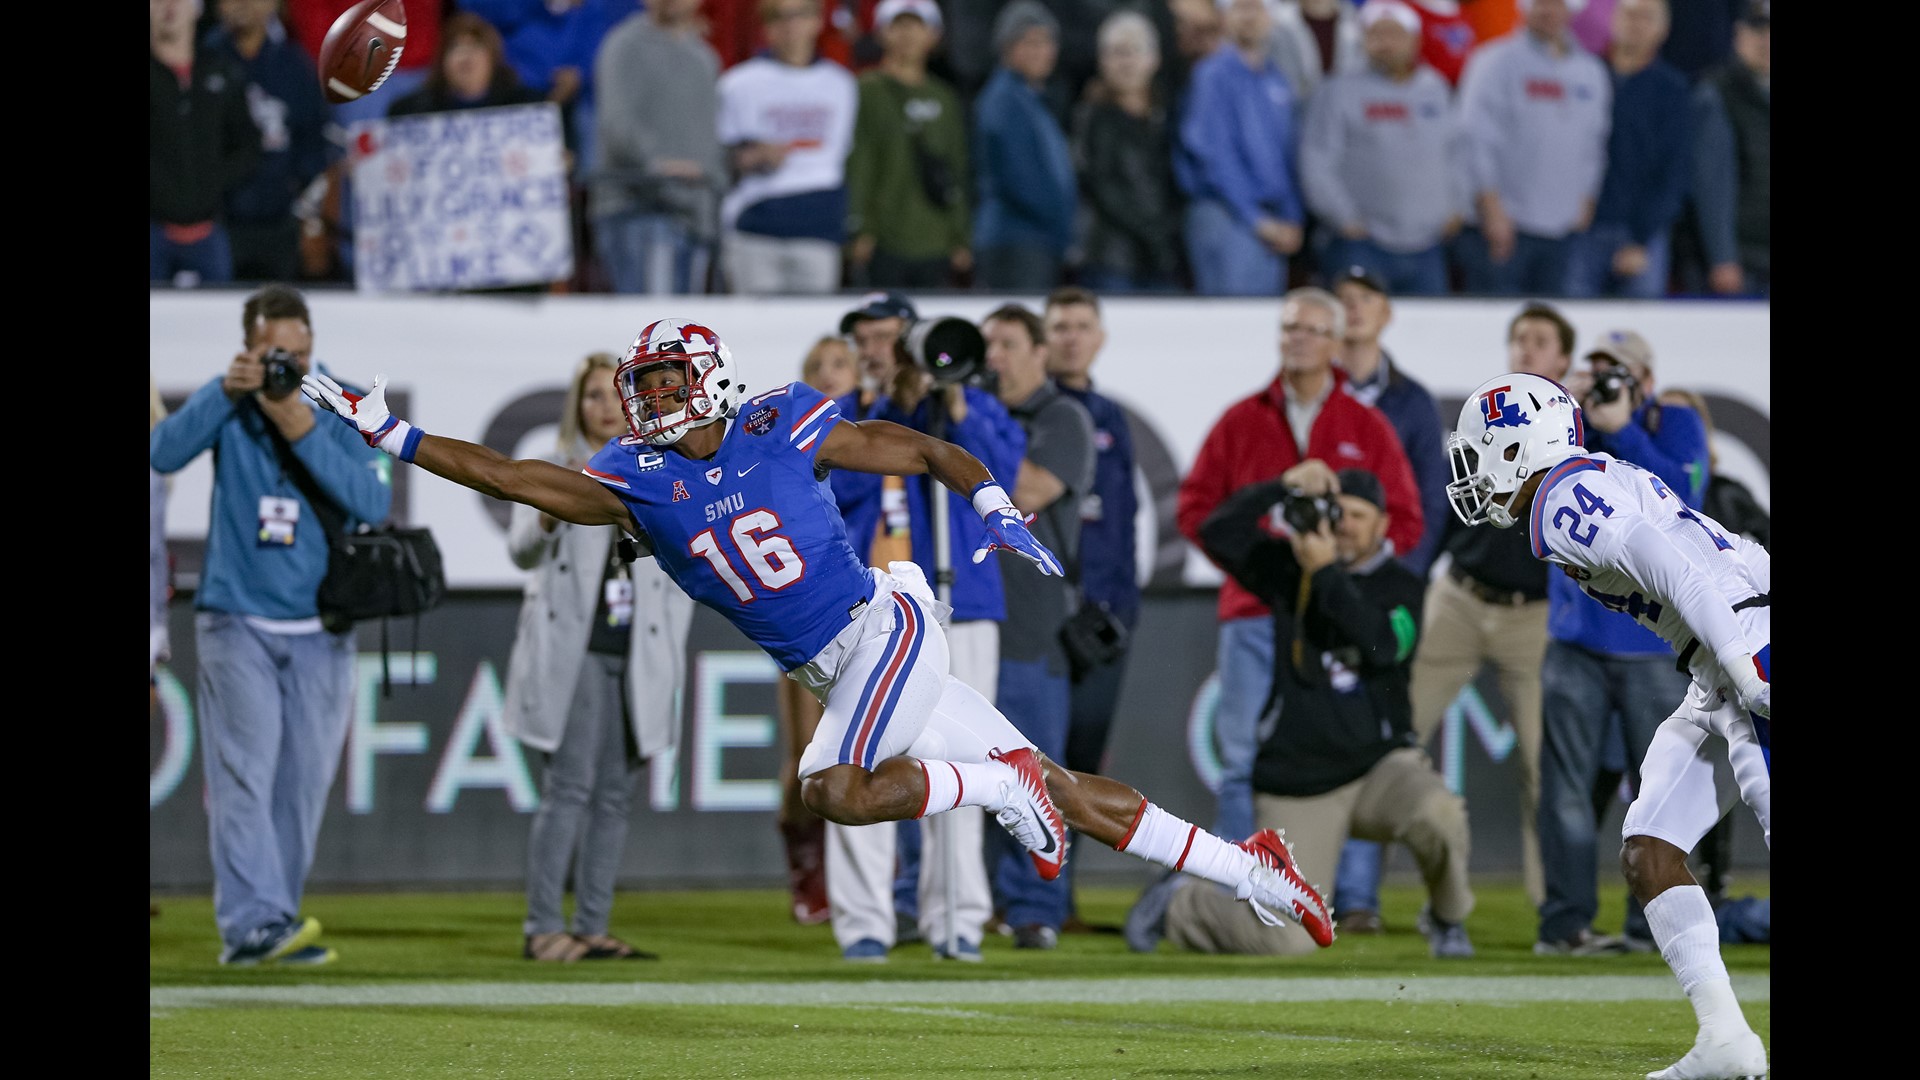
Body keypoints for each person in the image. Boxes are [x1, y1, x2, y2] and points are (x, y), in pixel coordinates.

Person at [302, 317, 1335, 960]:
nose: (649, 398)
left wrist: (991, 506)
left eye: (666, 382)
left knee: (832, 789)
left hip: (884, 626)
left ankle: (995, 790)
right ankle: (1251, 871)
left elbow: (925, 446)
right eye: (642, 384)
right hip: (844, 660)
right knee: (1064, 786)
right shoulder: (634, 481)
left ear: (708, 377)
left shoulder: (780, 421)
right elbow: (512, 476)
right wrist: (392, 434)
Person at [1444, 370, 1769, 1080]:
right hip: (1718, 658)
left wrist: (1751, 664)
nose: (1471, 473)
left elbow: (1684, 571)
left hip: (1742, 643)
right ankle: (1726, 1039)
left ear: (1515, 448)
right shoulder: (1577, 486)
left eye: (1479, 451)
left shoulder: (1563, 499)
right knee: (1649, 848)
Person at [1134, 465, 1473, 958]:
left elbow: (1380, 646)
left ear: (1383, 524)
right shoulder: (1289, 569)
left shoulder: (1402, 585)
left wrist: (1326, 573)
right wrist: (1282, 485)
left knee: (1439, 811)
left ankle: (1447, 919)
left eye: (1359, 515)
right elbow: (1216, 531)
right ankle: (1183, 904)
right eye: (1338, 513)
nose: (1346, 525)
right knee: (1286, 940)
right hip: (1299, 776)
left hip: (1379, 768)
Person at [150, 284, 393, 966]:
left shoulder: (339, 401)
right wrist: (223, 394)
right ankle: (252, 924)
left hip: (322, 625)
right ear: (252, 347)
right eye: (274, 354)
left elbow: (372, 498)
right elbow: (162, 455)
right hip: (236, 620)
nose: (289, 365)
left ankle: (273, 921)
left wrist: (301, 425)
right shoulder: (227, 398)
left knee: (302, 784)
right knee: (243, 778)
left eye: (300, 353)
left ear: (313, 346)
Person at [1177, 287, 1423, 846]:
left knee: (1354, 758)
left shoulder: (1366, 425)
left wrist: (1350, 570)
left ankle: (1354, 904)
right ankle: (1234, 889)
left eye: (1312, 329)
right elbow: (1196, 511)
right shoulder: (1241, 419)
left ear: (1337, 342)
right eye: (1290, 327)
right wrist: (1257, 561)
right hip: (1257, 608)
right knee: (1238, 758)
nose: (1298, 339)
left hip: (1337, 618)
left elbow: (1405, 518)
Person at [826, 295, 1026, 962]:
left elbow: (1003, 468)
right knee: (852, 757)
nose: (882, 348)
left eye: (892, 337)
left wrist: (951, 401)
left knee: (970, 758)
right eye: (870, 339)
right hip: (865, 611)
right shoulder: (838, 423)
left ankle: (959, 918)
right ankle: (864, 924)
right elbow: (825, 497)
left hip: (961, 603)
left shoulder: (957, 405)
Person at [503, 351, 695, 962]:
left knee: (614, 796)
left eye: (614, 395)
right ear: (576, 407)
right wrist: (552, 513)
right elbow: (521, 552)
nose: (605, 407)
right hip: (578, 651)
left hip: (641, 652)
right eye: (591, 397)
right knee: (570, 789)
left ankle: (590, 925)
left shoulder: (662, 470)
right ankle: (541, 929)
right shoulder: (555, 470)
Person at [1535, 329, 1709, 956]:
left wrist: (1626, 428)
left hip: (1650, 650)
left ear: (1646, 381)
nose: (1606, 383)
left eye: (1619, 373)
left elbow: (1683, 506)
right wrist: (1574, 410)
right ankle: (1564, 924)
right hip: (1577, 643)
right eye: (1597, 372)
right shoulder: (1567, 428)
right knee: (1566, 792)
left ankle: (1654, 926)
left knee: (1663, 797)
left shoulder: (1677, 423)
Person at [1404, 300, 1573, 927]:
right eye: (1518, 339)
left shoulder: (1573, 434)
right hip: (1461, 597)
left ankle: (1552, 908)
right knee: (1394, 740)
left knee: (1541, 765)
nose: (1525, 349)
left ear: (1562, 358)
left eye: (1539, 340)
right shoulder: (1484, 418)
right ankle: (1357, 895)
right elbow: (1442, 513)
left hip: (1535, 613)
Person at [1321, 263, 1451, 930]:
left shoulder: (1412, 401)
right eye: (1343, 298)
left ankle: (1363, 897)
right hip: (1321, 586)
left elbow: (1433, 500)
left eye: (1366, 297)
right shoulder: (1319, 392)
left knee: (1379, 731)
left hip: (1388, 588)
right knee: (1325, 725)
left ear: (1386, 312)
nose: (1354, 310)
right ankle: (1312, 885)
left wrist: (1401, 576)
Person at [980, 303, 1096, 950]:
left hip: (1030, 624)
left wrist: (973, 429)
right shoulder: (966, 417)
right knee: (955, 770)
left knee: (1032, 776)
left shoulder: (1062, 418)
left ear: (1038, 353)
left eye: (1006, 343)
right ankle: (961, 902)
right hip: (964, 618)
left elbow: (1023, 490)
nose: (993, 356)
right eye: (987, 344)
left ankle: (1035, 909)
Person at [1041, 287, 1140, 933]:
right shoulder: (1037, 414)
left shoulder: (1113, 418)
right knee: (1034, 763)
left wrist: (1122, 612)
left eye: (1082, 326)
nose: (1072, 337)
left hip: (1103, 619)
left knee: (1081, 764)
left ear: (1099, 337)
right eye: (1060, 327)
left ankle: (1059, 900)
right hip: (1046, 617)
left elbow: (1125, 524)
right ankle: (1029, 900)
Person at [774, 335, 861, 928]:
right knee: (808, 757)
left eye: (840, 365)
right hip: (809, 614)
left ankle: (868, 885)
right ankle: (806, 860)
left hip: (874, 609)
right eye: (816, 368)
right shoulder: (791, 446)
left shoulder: (865, 441)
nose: (828, 376)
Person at [1300, 0, 1469, 298]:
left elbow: (1456, 153)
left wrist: (1456, 206)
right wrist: (1344, 218)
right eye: (1375, 34)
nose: (1384, 43)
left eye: (1394, 34)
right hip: (1362, 243)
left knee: (1431, 333)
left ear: (1415, 40)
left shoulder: (1435, 89)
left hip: (1427, 244)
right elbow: (1317, 161)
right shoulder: (1338, 91)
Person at [1454, 0, 1610, 295]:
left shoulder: (1590, 71)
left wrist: (1587, 196)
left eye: (1556, 4)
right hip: (1504, 227)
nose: (1548, 11)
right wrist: (1491, 209)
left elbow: (1594, 143)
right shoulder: (1493, 60)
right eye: (1540, 4)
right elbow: (1474, 138)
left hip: (1562, 228)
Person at [715, 0, 858, 295]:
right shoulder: (738, 83)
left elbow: (842, 156)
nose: (790, 25)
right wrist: (751, 156)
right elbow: (718, 155)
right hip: (755, 226)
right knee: (754, 334)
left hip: (818, 227)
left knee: (813, 333)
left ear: (817, 21)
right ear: (766, 28)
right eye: (778, 18)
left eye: (800, 15)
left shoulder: (841, 84)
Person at [591, 0, 725, 296]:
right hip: (639, 209)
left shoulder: (704, 56)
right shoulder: (624, 45)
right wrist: (658, 165)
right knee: (653, 332)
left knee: (684, 332)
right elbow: (617, 124)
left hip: (696, 212)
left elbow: (710, 134)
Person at [1174, 0, 1305, 297]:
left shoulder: (1276, 77)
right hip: (1227, 215)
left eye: (1256, 8)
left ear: (1271, 17)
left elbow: (1287, 154)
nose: (1249, 16)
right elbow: (1213, 156)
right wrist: (1257, 220)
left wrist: (1291, 217)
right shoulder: (1211, 74)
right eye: (1240, 7)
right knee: (1230, 328)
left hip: (1271, 222)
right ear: (1223, 17)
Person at [844, 0, 972, 290]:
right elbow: (859, 161)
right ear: (880, 33)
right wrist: (860, 228)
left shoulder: (944, 97)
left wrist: (960, 236)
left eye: (917, 26)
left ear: (935, 35)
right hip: (883, 238)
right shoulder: (864, 90)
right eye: (898, 26)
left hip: (936, 239)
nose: (908, 35)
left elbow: (958, 166)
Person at [1567, 0, 1690, 299]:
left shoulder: (1672, 89)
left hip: (1640, 232)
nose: (1635, 23)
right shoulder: (1582, 73)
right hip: (1580, 228)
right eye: (1628, 14)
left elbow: (1675, 171)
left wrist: (1641, 237)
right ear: (1613, 19)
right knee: (1573, 325)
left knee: (1637, 334)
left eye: (1646, 17)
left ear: (1663, 30)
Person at [202, 0, 330, 285]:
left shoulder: (295, 64)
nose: (244, 3)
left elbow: (312, 141)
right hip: (217, 223)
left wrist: (303, 208)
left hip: (280, 220)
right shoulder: (202, 62)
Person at [1070, 9, 1183, 294]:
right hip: (1110, 257)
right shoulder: (1091, 115)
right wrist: (1152, 233)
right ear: (1102, 60)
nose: (1126, 61)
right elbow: (1100, 184)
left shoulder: (1166, 114)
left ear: (1153, 59)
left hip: (1161, 258)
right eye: (1117, 52)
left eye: (1134, 51)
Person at [151, 0, 263, 288]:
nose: (169, 5)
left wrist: (213, 181)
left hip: (211, 229)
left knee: (220, 326)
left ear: (198, 7)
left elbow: (248, 143)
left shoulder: (220, 69)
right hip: (153, 230)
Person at [972, 1, 1077, 292]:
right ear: (1005, 47)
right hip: (1016, 240)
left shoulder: (1029, 97)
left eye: (1046, 42)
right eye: (1029, 42)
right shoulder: (1005, 99)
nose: (1040, 51)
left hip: (1033, 239)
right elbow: (1021, 178)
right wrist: (1060, 223)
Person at [1682, 1, 1767, 298]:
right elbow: (1711, 184)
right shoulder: (1716, 93)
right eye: (1758, 32)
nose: (1766, 42)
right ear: (1738, 35)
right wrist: (1722, 256)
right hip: (1738, 261)